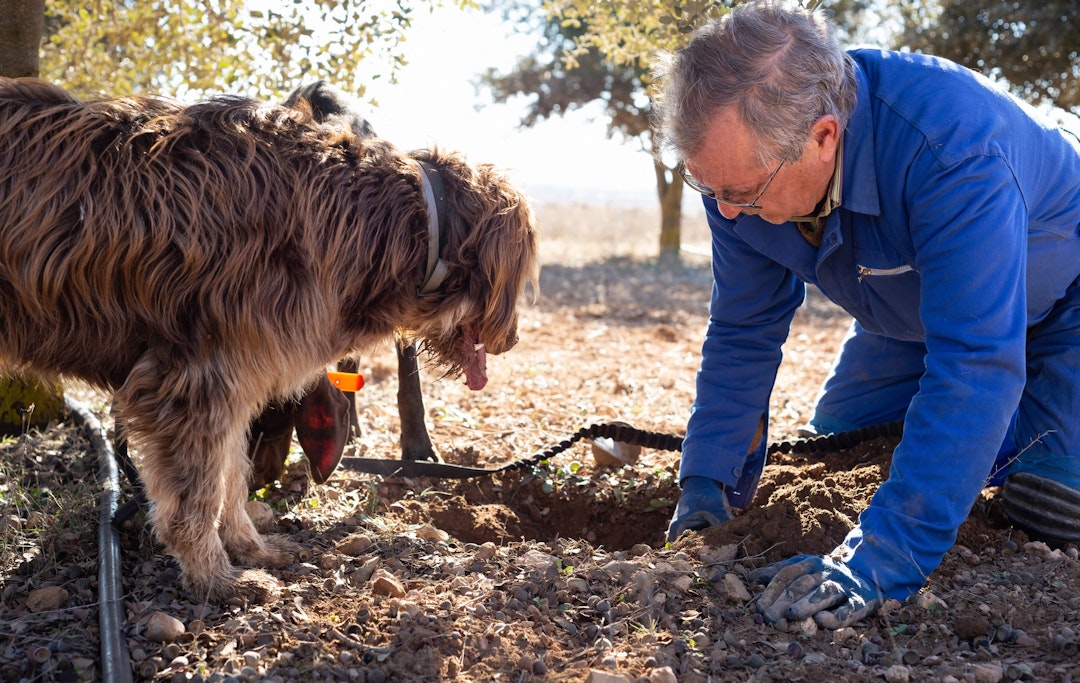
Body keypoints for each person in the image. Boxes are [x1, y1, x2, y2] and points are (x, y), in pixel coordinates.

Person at [653, 0, 1080, 628]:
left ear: (824, 137)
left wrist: (877, 561)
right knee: (839, 455)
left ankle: (1021, 436)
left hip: (1062, 304)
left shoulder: (954, 150)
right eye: (708, 189)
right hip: (913, 314)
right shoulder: (738, 183)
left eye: (740, 192)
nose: (726, 211)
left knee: (1047, 500)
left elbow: (975, 362)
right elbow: (745, 330)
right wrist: (706, 480)